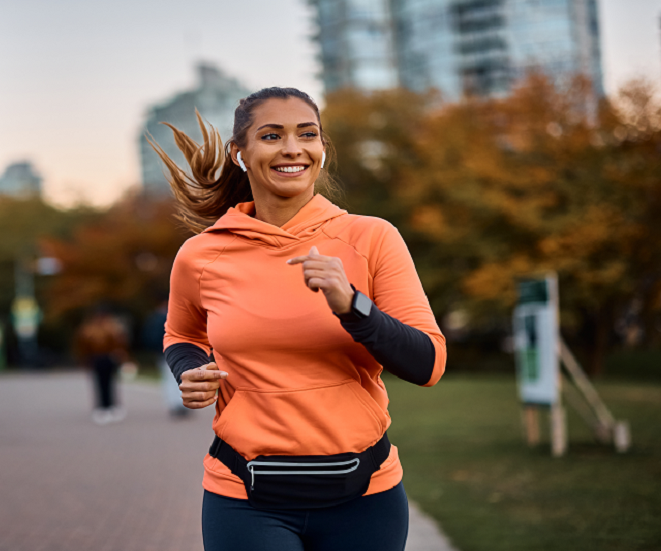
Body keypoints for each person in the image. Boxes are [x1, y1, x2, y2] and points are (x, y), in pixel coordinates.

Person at [152, 87, 447, 551]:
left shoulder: (372, 238)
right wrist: (189, 370)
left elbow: (427, 364)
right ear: (240, 154)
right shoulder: (201, 255)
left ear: (322, 151)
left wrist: (353, 306)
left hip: (364, 496)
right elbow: (182, 334)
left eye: (306, 134)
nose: (292, 148)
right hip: (245, 496)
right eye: (271, 136)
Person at [74, 308, 129, 425]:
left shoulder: (106, 328)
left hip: (106, 358)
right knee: (102, 383)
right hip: (98, 358)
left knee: (108, 382)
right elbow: (83, 346)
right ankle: (104, 406)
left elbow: (119, 343)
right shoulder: (94, 329)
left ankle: (109, 405)